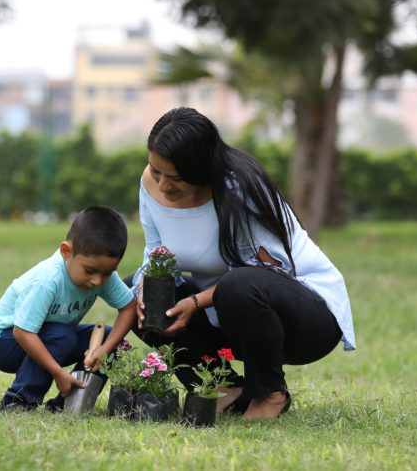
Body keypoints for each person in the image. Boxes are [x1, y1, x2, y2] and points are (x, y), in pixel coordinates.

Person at [128, 107, 356, 419]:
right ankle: (225, 387)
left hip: (305, 316)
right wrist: (145, 287)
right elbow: (156, 254)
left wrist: (195, 302)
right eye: (157, 171)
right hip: (230, 315)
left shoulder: (240, 186)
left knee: (240, 283)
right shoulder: (150, 185)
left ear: (201, 169)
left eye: (177, 177)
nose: (164, 186)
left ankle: (269, 393)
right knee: (143, 295)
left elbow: (269, 270)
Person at [0, 205, 138, 411]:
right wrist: (58, 373)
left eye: (107, 273)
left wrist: (104, 350)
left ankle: (69, 404)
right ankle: (19, 400)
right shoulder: (47, 280)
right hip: (3, 342)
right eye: (90, 270)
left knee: (110, 339)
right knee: (61, 334)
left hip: (50, 336)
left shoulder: (101, 275)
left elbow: (129, 307)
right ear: (66, 251)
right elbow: (23, 332)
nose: (98, 280)